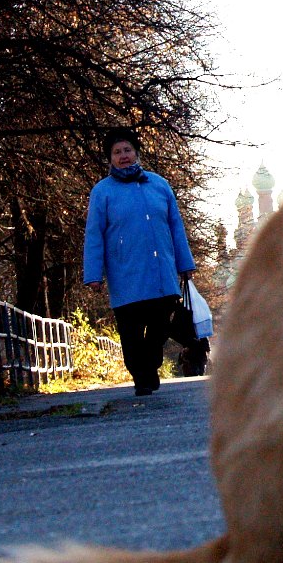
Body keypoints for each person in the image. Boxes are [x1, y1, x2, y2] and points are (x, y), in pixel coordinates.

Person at [83, 127, 196, 394]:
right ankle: (141, 376)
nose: (123, 156)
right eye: (117, 152)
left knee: (159, 326)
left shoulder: (159, 185)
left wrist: (185, 264)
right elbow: (94, 234)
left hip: (161, 271)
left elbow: (175, 226)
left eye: (128, 150)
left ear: (137, 152)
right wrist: (93, 274)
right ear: (110, 158)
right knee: (131, 334)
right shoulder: (103, 192)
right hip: (125, 273)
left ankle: (150, 364)